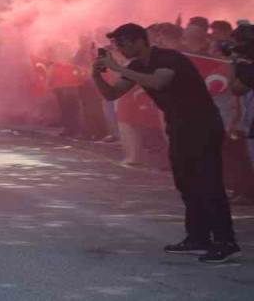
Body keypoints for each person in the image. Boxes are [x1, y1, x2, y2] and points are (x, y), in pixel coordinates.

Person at [93, 23, 240, 263]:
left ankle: (226, 241)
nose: (119, 48)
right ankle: (197, 237)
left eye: (123, 43)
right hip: (179, 127)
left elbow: (159, 82)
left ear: (140, 41)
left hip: (202, 125)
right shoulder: (136, 66)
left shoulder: (169, 57)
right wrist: (97, 75)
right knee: (186, 182)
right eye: (116, 44)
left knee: (209, 183)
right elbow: (112, 94)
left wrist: (118, 67)